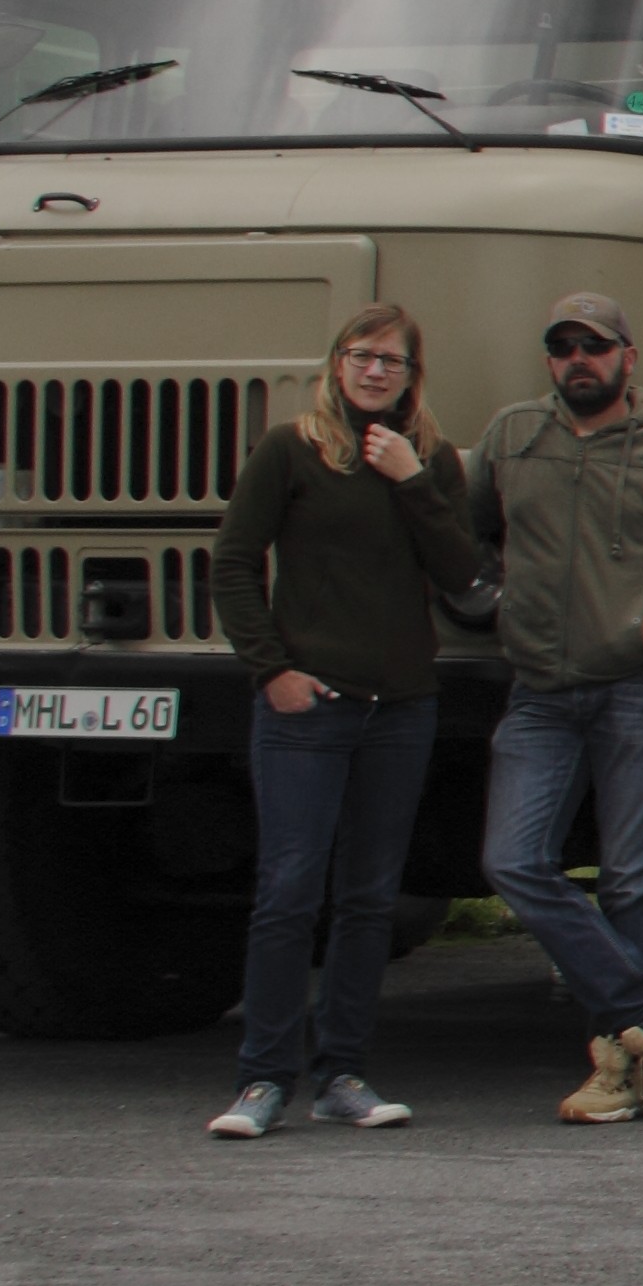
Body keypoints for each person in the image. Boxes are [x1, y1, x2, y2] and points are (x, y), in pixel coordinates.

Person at [201, 305, 484, 1139]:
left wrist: (411, 479)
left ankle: (343, 1075)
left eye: (392, 361)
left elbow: (462, 573)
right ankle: (262, 1081)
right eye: (362, 356)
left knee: (369, 899)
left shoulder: (429, 459)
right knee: (289, 893)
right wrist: (272, 670)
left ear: (412, 376)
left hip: (400, 708)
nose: (374, 371)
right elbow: (233, 561)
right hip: (308, 707)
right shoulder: (291, 449)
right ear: (337, 364)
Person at [469, 291, 643, 1124]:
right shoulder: (513, 436)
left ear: (627, 357)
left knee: (632, 880)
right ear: (549, 361)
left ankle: (620, 1073)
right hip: (539, 692)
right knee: (512, 861)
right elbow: (468, 530)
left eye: (593, 346)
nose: (577, 361)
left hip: (640, 687)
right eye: (562, 348)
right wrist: (495, 604)